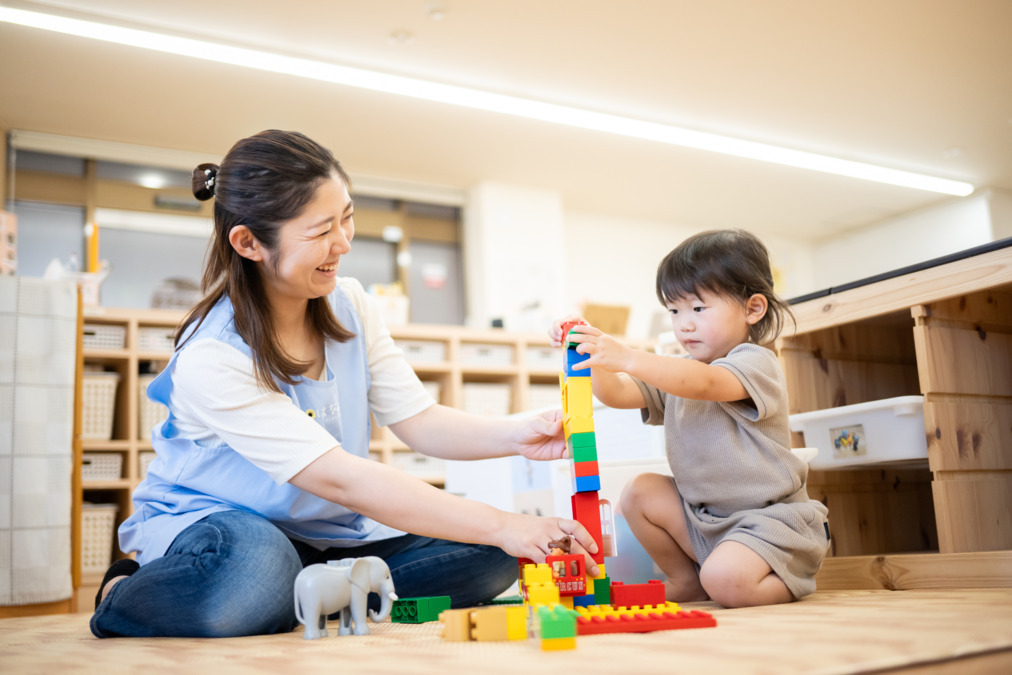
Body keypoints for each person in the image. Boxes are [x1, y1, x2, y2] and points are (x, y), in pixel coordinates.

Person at [91, 130, 598, 638]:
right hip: (226, 525)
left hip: (329, 535)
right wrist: (506, 524)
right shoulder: (213, 355)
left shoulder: (350, 303)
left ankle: (308, 594)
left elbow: (419, 420)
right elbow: (342, 479)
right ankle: (124, 591)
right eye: (321, 231)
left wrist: (516, 436)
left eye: (347, 217)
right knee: (256, 571)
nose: (344, 243)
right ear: (248, 243)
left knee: (490, 553)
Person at [549, 229, 829, 608]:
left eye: (698, 309)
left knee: (724, 581)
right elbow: (616, 393)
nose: (684, 324)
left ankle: (792, 577)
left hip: (769, 523)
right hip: (703, 520)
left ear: (753, 309)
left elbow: (705, 383)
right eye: (674, 311)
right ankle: (685, 581)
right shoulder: (677, 372)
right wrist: (587, 349)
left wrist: (629, 356)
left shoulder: (755, 362)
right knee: (639, 490)